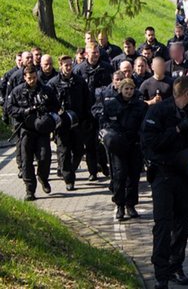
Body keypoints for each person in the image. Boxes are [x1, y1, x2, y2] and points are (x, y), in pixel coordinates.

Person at [141, 76, 188, 289]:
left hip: (184, 175)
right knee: (163, 224)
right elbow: (149, 142)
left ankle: (176, 265)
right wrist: (176, 130)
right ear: (186, 92)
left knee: (182, 223)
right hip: (163, 173)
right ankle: (161, 274)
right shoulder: (159, 111)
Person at [6, 65, 59, 200]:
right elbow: (10, 108)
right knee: (26, 160)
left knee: (44, 157)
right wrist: (24, 111)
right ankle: (30, 190)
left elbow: (56, 105)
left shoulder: (46, 90)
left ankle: (43, 177)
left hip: (42, 129)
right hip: (26, 130)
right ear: (25, 77)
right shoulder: (17, 91)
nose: (32, 80)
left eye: (34, 77)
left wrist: (46, 112)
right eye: (29, 78)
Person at [100, 78, 147, 219]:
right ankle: (119, 205)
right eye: (126, 89)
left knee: (133, 176)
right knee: (119, 176)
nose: (129, 92)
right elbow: (105, 123)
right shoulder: (111, 104)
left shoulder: (140, 106)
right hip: (118, 145)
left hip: (134, 144)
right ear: (120, 89)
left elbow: (145, 124)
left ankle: (131, 205)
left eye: (131, 89)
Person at [48, 55, 92, 191]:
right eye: (65, 65)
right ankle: (69, 179)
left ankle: (70, 170)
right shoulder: (53, 83)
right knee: (64, 151)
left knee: (79, 150)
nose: (68, 67)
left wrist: (86, 118)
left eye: (70, 65)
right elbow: (48, 103)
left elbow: (87, 100)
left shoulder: (79, 81)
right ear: (60, 66)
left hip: (78, 122)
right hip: (62, 124)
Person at [74, 42, 113, 180]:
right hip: (87, 112)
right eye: (93, 52)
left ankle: (104, 164)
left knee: (103, 141)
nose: (95, 55)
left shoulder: (107, 68)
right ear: (86, 54)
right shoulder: (79, 70)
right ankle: (93, 171)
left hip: (103, 110)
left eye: (97, 52)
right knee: (90, 143)